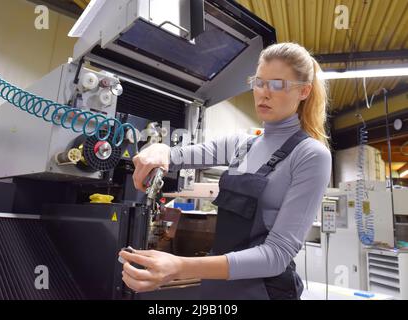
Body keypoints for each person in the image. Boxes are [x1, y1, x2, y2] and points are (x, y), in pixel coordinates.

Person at [119, 42, 332, 300]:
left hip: (264, 291)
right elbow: (177, 156)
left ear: (304, 91)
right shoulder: (242, 144)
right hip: (219, 286)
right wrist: (159, 150)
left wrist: (180, 267)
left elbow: (276, 255)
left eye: (277, 85)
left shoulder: (310, 155)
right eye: (259, 82)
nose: (264, 93)